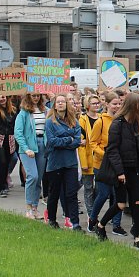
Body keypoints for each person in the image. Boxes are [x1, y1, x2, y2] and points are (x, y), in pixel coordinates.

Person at [96, 93, 139, 249]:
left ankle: (138, 238)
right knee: (121, 204)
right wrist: (120, 172)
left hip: (135, 169)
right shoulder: (118, 124)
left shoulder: (136, 124)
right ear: (133, 106)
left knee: (138, 202)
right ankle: (101, 225)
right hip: (121, 170)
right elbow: (112, 150)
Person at [88, 91, 125, 235]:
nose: (117, 106)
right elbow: (92, 143)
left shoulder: (122, 120)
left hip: (117, 164)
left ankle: (116, 225)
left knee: (118, 196)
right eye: (114, 104)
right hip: (102, 164)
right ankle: (93, 219)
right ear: (107, 104)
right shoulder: (100, 121)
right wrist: (106, 155)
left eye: (119, 104)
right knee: (103, 194)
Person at [44, 94, 82, 230]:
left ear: (67, 104)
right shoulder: (50, 122)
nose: (60, 104)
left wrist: (66, 140)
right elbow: (52, 141)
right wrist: (69, 139)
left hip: (70, 163)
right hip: (55, 163)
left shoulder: (74, 122)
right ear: (54, 105)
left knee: (71, 193)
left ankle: (75, 222)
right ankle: (52, 220)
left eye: (63, 102)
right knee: (54, 193)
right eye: (58, 102)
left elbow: (77, 141)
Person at [14, 93, 47, 219]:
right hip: (27, 147)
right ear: (28, 96)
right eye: (33, 96)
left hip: (42, 144)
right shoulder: (23, 113)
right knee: (32, 176)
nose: (36, 98)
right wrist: (26, 148)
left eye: (38, 95)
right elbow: (18, 132)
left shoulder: (45, 110)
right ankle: (28, 208)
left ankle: (35, 207)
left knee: (39, 178)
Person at [0, 95, 18, 198]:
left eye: (4, 97)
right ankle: (2, 186)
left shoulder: (13, 109)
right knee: (2, 161)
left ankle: (4, 181)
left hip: (10, 137)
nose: (2, 99)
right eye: (0, 97)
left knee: (7, 161)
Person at [78, 95, 99, 216]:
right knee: (88, 188)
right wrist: (84, 163)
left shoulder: (101, 118)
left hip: (100, 158)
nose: (96, 105)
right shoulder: (83, 120)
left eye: (97, 103)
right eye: (93, 103)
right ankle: (91, 215)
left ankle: (94, 210)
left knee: (100, 189)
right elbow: (81, 142)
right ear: (87, 105)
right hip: (88, 157)